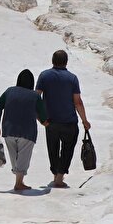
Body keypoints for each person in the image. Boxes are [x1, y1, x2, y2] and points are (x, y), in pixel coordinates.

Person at [35, 50, 90, 189]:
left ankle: (56, 176)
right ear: (66, 62)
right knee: (67, 150)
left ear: (52, 60)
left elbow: (36, 98)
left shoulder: (44, 76)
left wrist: (40, 117)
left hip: (50, 121)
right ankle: (59, 178)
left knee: (52, 149)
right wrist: (84, 120)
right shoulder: (72, 78)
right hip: (69, 121)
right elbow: (77, 101)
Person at [0, 69, 48, 192]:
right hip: (27, 131)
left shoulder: (9, 91)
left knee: (14, 156)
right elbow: (42, 112)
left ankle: (19, 180)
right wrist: (45, 121)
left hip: (9, 130)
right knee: (23, 156)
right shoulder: (34, 96)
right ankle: (19, 183)